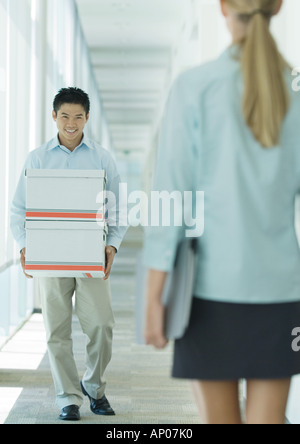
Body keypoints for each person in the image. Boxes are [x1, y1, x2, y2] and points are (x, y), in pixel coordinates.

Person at [143, 0, 300, 425]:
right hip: (282, 292)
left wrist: (154, 294)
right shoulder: (297, 89)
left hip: (209, 296)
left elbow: (171, 200)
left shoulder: (195, 87)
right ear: (278, 7)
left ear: (224, 8)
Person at [10, 87, 127, 421]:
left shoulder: (102, 158)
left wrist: (113, 245)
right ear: (54, 117)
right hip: (50, 255)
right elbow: (19, 209)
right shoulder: (37, 158)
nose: (71, 123)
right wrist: (23, 245)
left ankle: (93, 386)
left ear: (87, 117)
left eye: (78, 116)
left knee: (102, 326)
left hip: (90, 255)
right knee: (56, 329)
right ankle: (67, 398)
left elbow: (118, 210)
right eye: (65, 116)